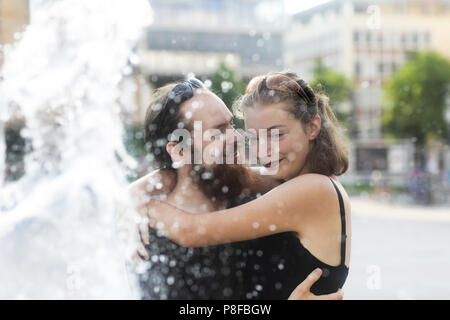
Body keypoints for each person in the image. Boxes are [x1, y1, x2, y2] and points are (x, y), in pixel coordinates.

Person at [128, 78, 343, 300]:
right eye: (218, 132)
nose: (236, 137)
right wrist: (132, 198)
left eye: (231, 125)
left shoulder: (264, 203)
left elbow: (190, 230)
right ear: (180, 151)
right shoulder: (145, 237)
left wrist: (137, 200)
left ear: (313, 128)